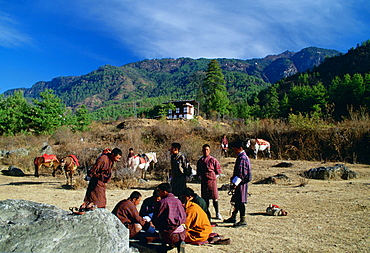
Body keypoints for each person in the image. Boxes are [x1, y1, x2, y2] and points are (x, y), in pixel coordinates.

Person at [223, 140, 252, 227]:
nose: (234, 151)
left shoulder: (242, 158)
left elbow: (241, 173)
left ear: (240, 148)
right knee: (236, 200)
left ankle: (243, 220)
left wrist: (235, 183)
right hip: (239, 182)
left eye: (235, 149)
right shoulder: (241, 156)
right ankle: (233, 216)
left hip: (241, 183)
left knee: (240, 201)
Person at [152, 183, 186, 253]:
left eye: (160, 191)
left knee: (162, 229)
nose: (159, 193)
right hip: (182, 233)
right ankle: (178, 243)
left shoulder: (162, 202)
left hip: (169, 234)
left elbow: (156, 218)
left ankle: (164, 246)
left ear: (164, 192)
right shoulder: (178, 201)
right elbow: (183, 216)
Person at [196, 144, 222, 220]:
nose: (205, 151)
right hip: (204, 181)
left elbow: (218, 171)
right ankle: (206, 213)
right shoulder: (200, 161)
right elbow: (198, 172)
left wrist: (213, 177)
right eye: (204, 150)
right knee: (205, 198)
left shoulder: (213, 160)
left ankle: (217, 213)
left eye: (207, 150)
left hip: (212, 181)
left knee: (215, 198)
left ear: (209, 150)